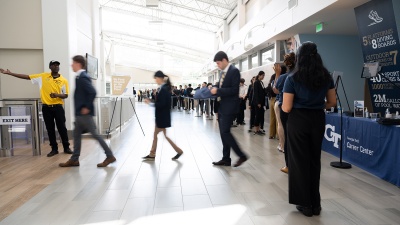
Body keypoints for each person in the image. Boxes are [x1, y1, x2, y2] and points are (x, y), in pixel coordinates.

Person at [282, 42, 336, 217]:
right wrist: (318, 105)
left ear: (299, 56)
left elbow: (287, 108)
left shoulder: (292, 77)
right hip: (317, 119)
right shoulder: (326, 76)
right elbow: (332, 103)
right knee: (314, 160)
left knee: (298, 162)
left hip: (298, 120)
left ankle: (305, 205)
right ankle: (315, 204)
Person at [0, 61, 72, 157]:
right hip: (46, 107)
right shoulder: (43, 76)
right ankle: (54, 149)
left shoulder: (64, 80)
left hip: (58, 107)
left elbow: (65, 95)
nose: (56, 66)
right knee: (50, 129)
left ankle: (66, 147)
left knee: (62, 128)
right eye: (54, 65)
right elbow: (27, 77)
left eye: (58, 65)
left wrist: (57, 95)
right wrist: (11, 73)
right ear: (50, 67)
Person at [59, 55, 116, 167]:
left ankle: (109, 156)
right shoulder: (79, 77)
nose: (71, 65)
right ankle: (75, 159)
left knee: (95, 135)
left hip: (84, 114)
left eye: (73, 63)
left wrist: (87, 107)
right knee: (76, 135)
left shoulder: (83, 77)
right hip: (80, 114)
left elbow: (92, 92)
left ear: (78, 64)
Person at [210, 51, 248, 167]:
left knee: (225, 132)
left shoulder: (234, 71)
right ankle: (226, 158)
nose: (218, 65)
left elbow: (233, 90)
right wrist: (214, 87)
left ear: (224, 60)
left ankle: (242, 155)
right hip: (222, 106)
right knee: (223, 133)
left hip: (230, 106)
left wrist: (218, 91)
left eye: (218, 63)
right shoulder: (222, 72)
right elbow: (221, 86)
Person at [143, 71, 183, 160]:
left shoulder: (164, 89)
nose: (155, 80)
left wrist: (150, 103)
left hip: (162, 117)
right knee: (158, 135)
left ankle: (153, 154)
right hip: (162, 117)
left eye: (156, 78)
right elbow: (161, 102)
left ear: (160, 78)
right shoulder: (164, 88)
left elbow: (162, 104)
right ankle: (152, 154)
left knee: (162, 136)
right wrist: (151, 101)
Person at [273, 53, 295, 174]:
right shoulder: (300, 76)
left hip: (283, 105)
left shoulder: (283, 77)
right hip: (297, 109)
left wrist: (277, 74)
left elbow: (275, 90)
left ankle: (283, 146)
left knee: (282, 127)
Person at [251, 71, 266, 136]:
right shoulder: (256, 82)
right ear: (259, 75)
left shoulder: (261, 82)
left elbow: (263, 91)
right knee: (257, 115)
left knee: (260, 115)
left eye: (264, 76)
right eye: (262, 75)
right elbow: (256, 93)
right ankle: (256, 129)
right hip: (258, 102)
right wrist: (258, 103)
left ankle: (259, 129)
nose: (263, 77)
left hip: (262, 102)